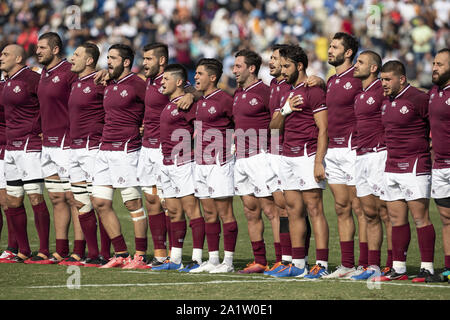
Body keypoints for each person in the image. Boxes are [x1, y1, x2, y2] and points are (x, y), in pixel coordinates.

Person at [270, 44, 330, 278]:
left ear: (300, 65)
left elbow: (323, 129)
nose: (282, 70)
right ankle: (298, 264)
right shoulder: (286, 92)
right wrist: (284, 110)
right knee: (293, 210)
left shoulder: (313, 90)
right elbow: (274, 128)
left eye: (286, 66)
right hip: (288, 157)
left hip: (307, 155)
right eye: (281, 65)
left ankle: (322, 264)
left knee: (315, 209)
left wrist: (318, 162)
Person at [374, 60, 436, 282]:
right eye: (381, 80)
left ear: (401, 79)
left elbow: (436, 124)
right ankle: (398, 269)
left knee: (421, 218)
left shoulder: (419, 98)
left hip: (415, 165)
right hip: (391, 166)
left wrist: (430, 145)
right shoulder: (385, 101)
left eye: (388, 79)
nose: (383, 84)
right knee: (396, 218)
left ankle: (427, 268)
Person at [91, 44, 148, 269]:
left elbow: (157, 104)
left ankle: (140, 255)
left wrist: (147, 126)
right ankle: (122, 253)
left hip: (126, 150)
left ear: (126, 62)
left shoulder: (137, 84)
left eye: (113, 58)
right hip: (104, 149)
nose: (108, 62)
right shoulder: (108, 83)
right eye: (108, 58)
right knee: (100, 202)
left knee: (132, 203)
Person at [0, 44, 51, 263]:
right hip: (11, 147)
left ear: (19, 58)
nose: (1, 57)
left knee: (35, 196)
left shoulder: (32, 79)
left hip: (30, 145)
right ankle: (21, 250)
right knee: (13, 201)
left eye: (5, 54)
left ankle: (44, 250)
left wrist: (41, 129)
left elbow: (49, 103)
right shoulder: (6, 82)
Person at [33, 32, 82, 263]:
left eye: (42, 47)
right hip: (47, 143)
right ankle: (60, 249)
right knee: (56, 198)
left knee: (74, 198)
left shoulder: (69, 72)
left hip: (66, 142)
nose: (37, 51)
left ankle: (80, 250)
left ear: (55, 49)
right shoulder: (42, 73)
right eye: (37, 47)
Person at [322, 32, 368, 279]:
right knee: (341, 208)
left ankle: (364, 264)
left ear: (348, 52)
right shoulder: (330, 80)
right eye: (330, 46)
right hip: (334, 150)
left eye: (335, 47)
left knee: (360, 208)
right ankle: (347, 264)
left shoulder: (359, 77)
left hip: (353, 148)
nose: (330, 50)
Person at [152, 63, 205, 271]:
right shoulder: (169, 104)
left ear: (179, 82)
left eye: (166, 79)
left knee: (192, 210)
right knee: (173, 212)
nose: (162, 82)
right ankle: (175, 259)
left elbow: (201, 126)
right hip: (166, 163)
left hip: (184, 163)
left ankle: (198, 258)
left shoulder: (188, 104)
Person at [232, 49, 279, 273]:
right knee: (250, 211)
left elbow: (279, 122)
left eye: (238, 66)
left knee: (271, 210)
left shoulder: (265, 92)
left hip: (261, 156)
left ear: (251, 68)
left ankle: (281, 260)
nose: (234, 70)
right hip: (240, 159)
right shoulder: (237, 93)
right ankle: (259, 260)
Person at [189, 58, 238, 273]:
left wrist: (233, 145)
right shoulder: (200, 102)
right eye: (196, 73)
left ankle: (228, 262)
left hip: (220, 162)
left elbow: (239, 124)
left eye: (199, 74)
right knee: (208, 213)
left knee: (225, 212)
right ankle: (214, 259)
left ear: (212, 77)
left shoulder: (226, 99)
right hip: (200, 162)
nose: (195, 77)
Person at [64, 42, 110, 267]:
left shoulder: (101, 81)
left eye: (76, 55)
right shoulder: (75, 81)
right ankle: (92, 254)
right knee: (80, 201)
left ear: (89, 60)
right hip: (74, 148)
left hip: (93, 147)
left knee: (98, 202)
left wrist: (109, 73)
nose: (72, 58)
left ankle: (106, 253)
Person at [350, 50, 393, 280]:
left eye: (361, 62)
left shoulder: (381, 90)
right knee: (369, 213)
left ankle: (393, 264)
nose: (356, 66)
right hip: (361, 156)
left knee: (386, 213)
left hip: (378, 154)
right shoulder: (359, 94)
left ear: (374, 68)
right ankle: (373, 265)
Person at [426, 48, 450, 283]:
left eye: (440, 64)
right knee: (445, 217)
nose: (434, 67)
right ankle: (449, 269)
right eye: (434, 63)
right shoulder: (433, 93)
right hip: (440, 165)